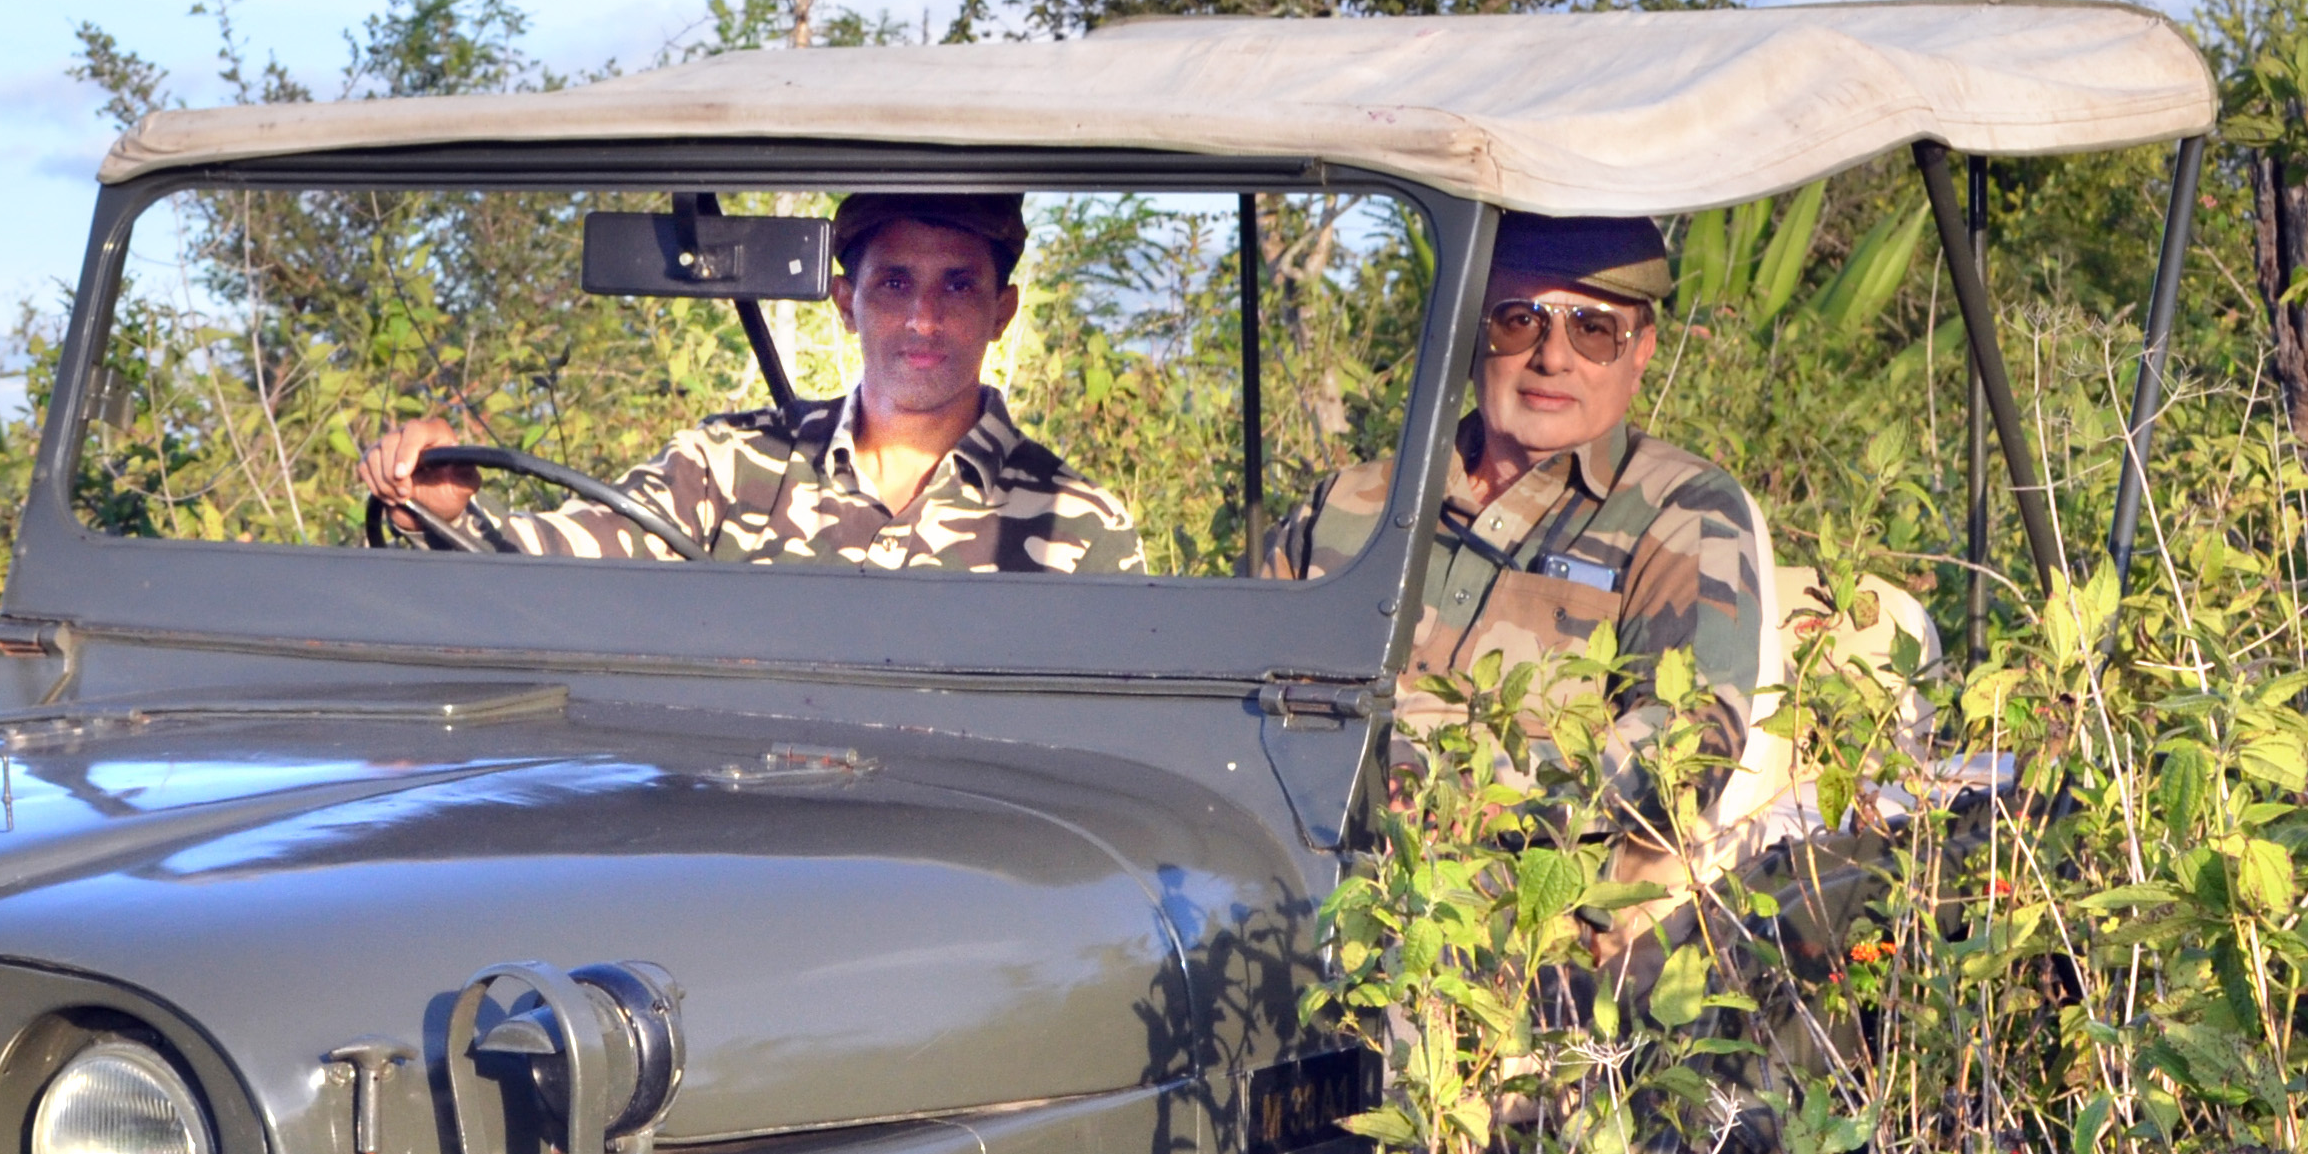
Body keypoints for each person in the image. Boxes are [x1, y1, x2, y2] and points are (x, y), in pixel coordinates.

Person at [1259, 211, 1784, 873]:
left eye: (1594, 330)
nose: (1553, 357)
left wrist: (1461, 791)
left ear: (1641, 349)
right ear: (1475, 332)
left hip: (1525, 918)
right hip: (1293, 875)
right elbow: (1231, 689)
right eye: (1520, 319)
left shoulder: (1680, 510)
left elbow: (1690, 741)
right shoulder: (1348, 505)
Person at [358, 194, 1141, 574]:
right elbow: (565, 562)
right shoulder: (728, 469)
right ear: (847, 303)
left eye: (959, 287)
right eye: (895, 284)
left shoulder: (1079, 526)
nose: (924, 319)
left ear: (1002, 311)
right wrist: (443, 507)